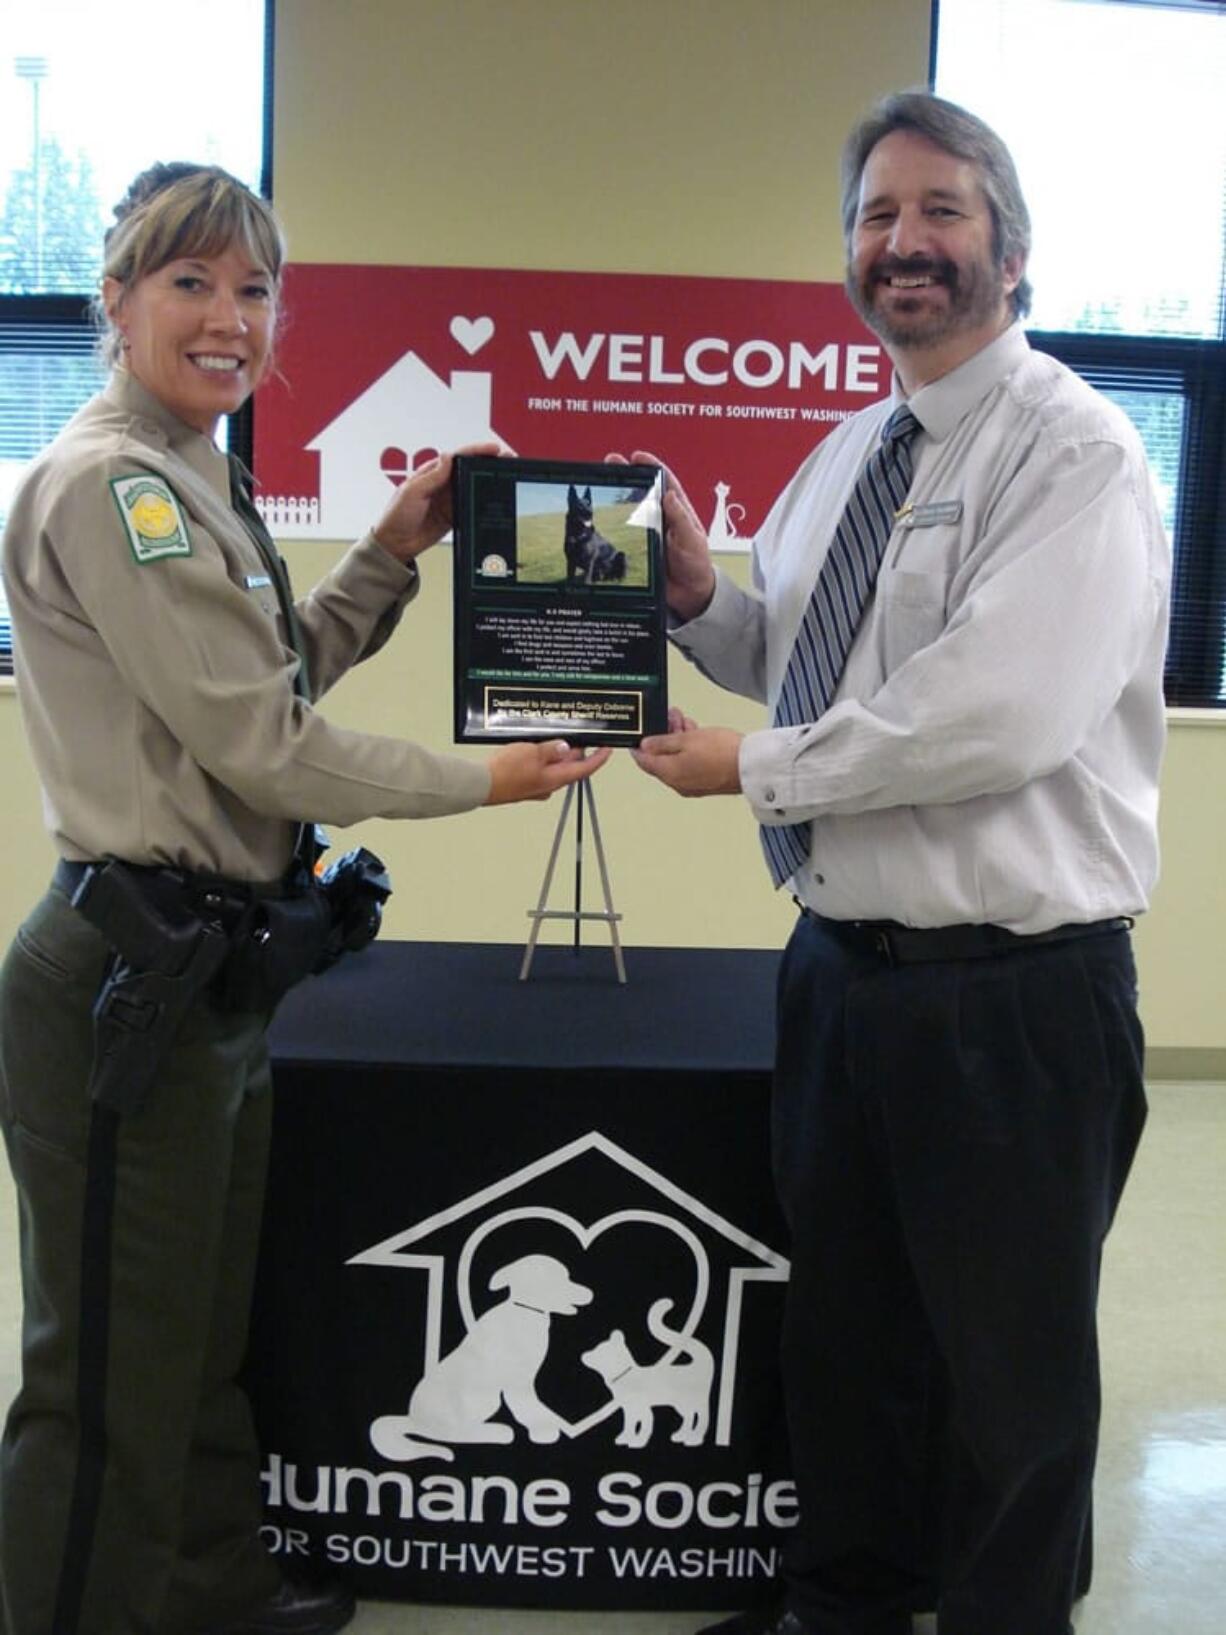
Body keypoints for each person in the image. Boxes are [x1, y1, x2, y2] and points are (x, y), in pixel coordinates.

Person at [0, 162, 608, 1635]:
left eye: (255, 289)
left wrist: (393, 556)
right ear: (119, 300)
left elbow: (268, 682)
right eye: (191, 282)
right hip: (121, 982)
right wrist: (490, 778)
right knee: (106, 1378)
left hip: (211, 976)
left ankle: (209, 1596)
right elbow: (265, 747)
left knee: (198, 1337)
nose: (228, 318)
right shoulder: (112, 487)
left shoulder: (199, 473)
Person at [630, 93, 1169, 1635]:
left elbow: (991, 718)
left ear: (1010, 249)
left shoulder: (1072, 452)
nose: (903, 242)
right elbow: (793, 660)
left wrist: (754, 768)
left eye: (938, 210)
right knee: (848, 1339)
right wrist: (687, 604)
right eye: (875, 216)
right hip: (842, 978)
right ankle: (842, 1607)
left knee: (1008, 1377)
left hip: (1010, 999)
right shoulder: (849, 450)